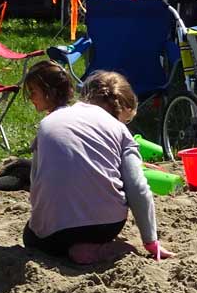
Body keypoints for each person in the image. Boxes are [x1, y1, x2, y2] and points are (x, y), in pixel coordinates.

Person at [21, 62, 173, 264]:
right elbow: (137, 187)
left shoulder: (48, 123)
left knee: (30, 237)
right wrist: (150, 242)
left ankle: (73, 247)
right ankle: (89, 246)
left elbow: (36, 183)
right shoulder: (118, 129)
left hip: (53, 235)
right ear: (120, 110)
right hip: (104, 226)